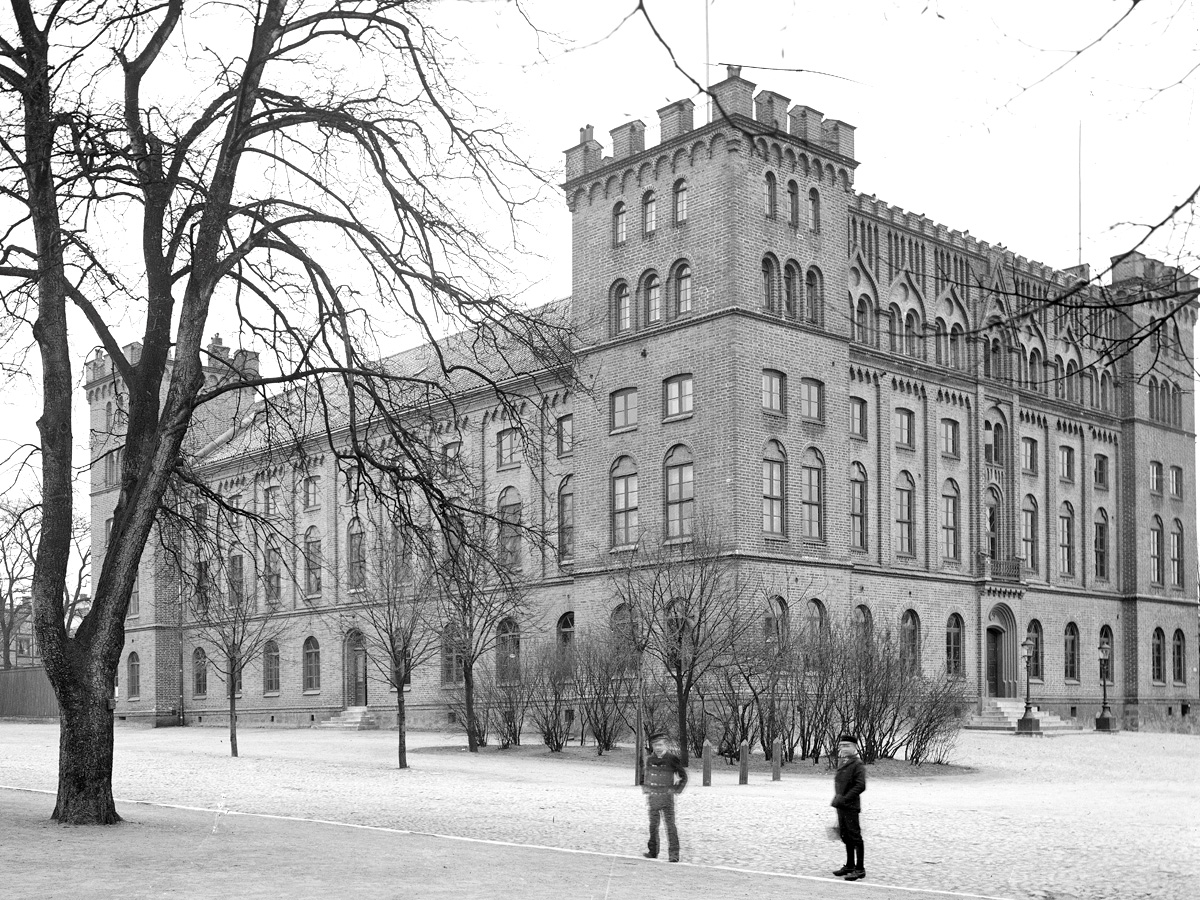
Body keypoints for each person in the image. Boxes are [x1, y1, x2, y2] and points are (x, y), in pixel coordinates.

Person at [642, 731, 687, 862]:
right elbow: (647, 776)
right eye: (655, 745)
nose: (658, 748)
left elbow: (683, 776)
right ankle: (653, 851)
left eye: (660, 745)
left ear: (665, 745)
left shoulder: (672, 759)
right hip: (653, 798)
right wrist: (647, 789)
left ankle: (674, 854)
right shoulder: (650, 760)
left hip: (666, 799)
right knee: (653, 826)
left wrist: (675, 790)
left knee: (670, 827)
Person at [831, 733, 867, 881]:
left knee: (855, 836)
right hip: (841, 805)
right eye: (842, 745)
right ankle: (850, 865)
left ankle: (860, 868)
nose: (844, 748)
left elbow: (860, 785)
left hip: (850, 805)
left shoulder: (857, 764)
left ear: (855, 747)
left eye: (847, 746)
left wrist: (845, 799)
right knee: (845, 835)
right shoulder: (843, 761)